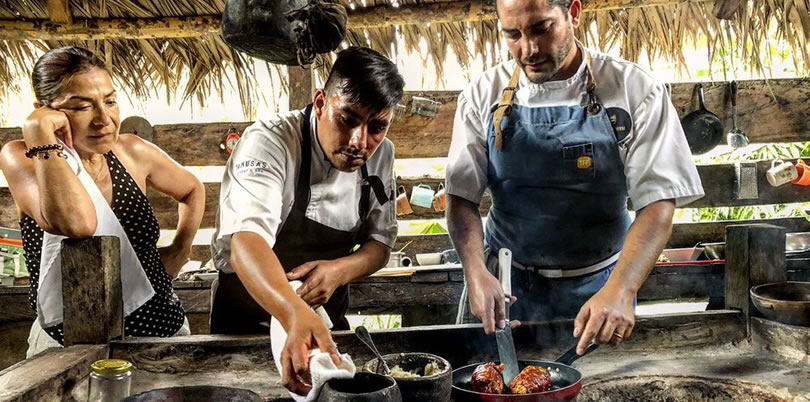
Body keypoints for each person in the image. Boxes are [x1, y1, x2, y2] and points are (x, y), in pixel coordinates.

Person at [446, 0, 704, 355]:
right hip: (505, 290)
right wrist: (475, 270)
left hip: (601, 291)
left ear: (574, 13)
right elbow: (461, 199)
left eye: (542, 29)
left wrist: (622, 290)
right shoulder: (481, 95)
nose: (529, 49)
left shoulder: (633, 89)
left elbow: (658, 202)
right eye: (513, 35)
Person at [210, 46, 404, 395]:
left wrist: (339, 270)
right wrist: (292, 310)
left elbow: (380, 244)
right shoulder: (269, 142)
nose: (360, 142)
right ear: (320, 103)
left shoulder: (382, 154)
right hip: (245, 326)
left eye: (377, 127)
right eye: (347, 119)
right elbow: (245, 242)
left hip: (323, 326)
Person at [0, 46, 206, 357]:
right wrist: (38, 131)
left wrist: (180, 250)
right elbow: (78, 224)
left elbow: (192, 189)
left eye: (109, 101)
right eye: (82, 107)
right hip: (67, 348)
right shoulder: (25, 156)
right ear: (46, 110)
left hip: (163, 334)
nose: (103, 119)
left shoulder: (132, 152)